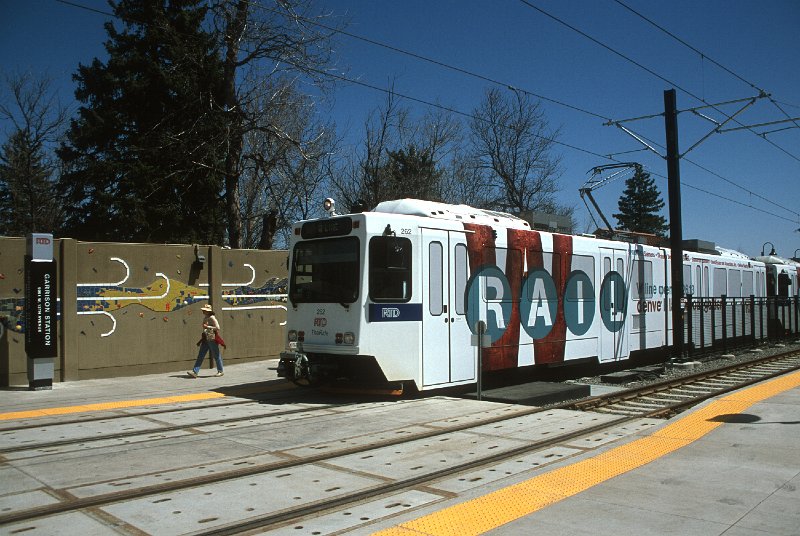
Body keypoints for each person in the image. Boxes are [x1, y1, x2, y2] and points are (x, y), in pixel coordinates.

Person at [187, 304, 224, 377]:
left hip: (212, 338)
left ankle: (220, 371)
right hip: (206, 338)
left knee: (216, 355)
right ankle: (195, 372)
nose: (203, 311)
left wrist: (208, 326)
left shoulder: (212, 318)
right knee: (201, 355)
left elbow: (218, 327)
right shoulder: (206, 317)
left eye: (204, 310)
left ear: (208, 311)